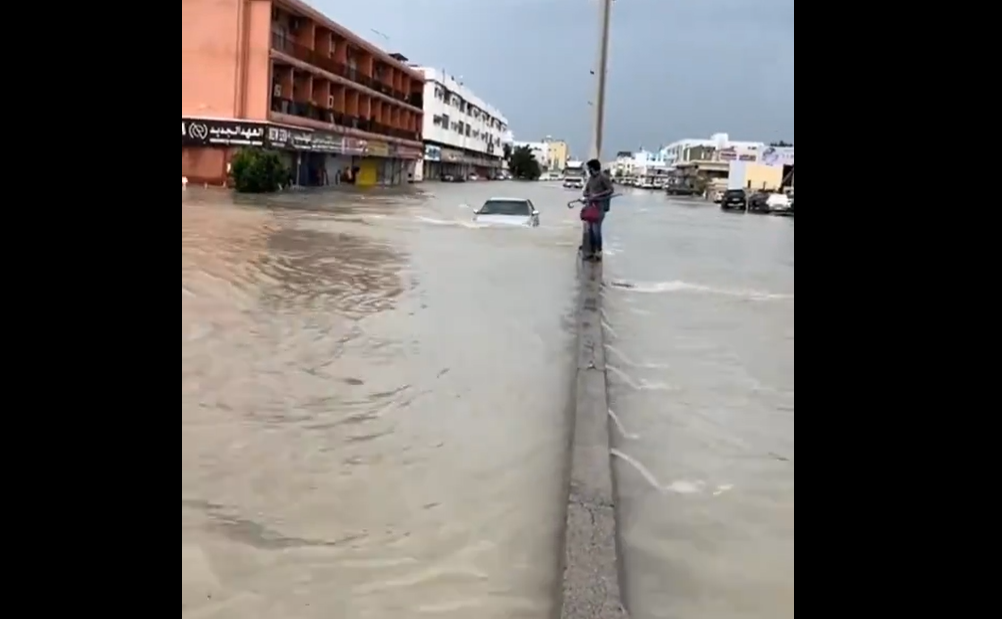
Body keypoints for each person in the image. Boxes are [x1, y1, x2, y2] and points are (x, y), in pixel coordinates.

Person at [582, 158, 614, 261]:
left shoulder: (603, 177)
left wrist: (597, 195)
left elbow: (610, 190)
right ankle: (591, 252)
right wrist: (588, 195)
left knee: (596, 230)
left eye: (589, 168)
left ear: (593, 168)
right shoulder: (590, 179)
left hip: (600, 207)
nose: (588, 171)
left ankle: (598, 252)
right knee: (590, 230)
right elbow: (585, 191)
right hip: (590, 207)